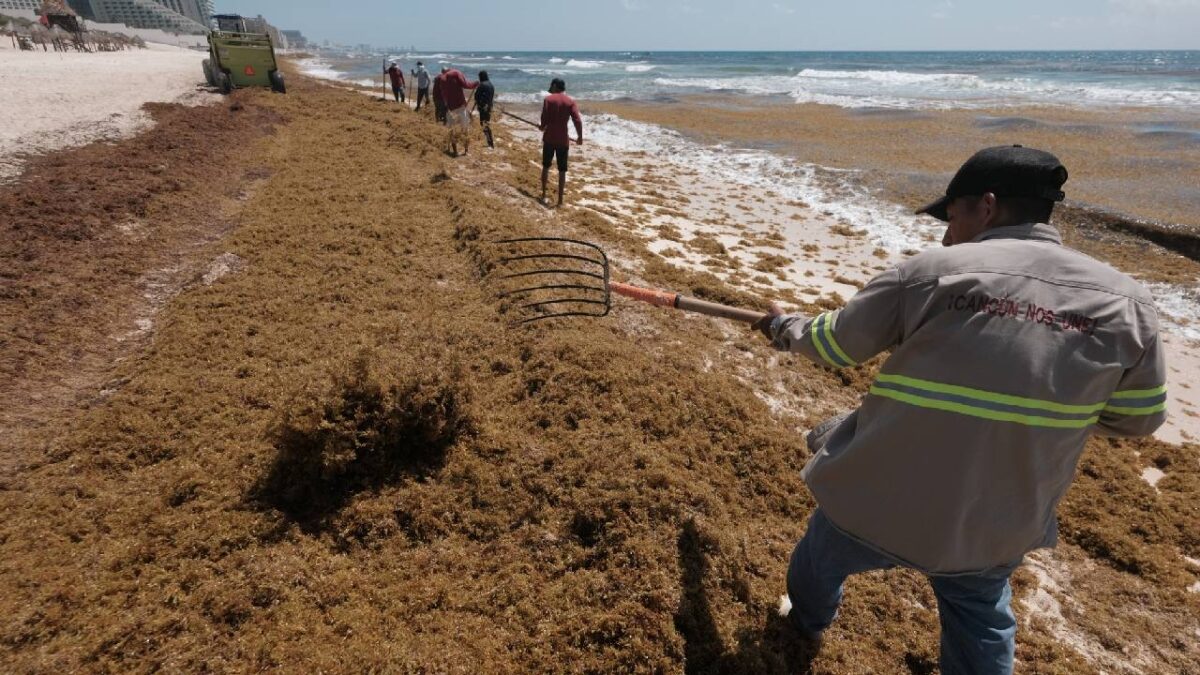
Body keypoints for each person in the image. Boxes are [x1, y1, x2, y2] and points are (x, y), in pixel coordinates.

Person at [754, 145, 1166, 675]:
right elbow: (1138, 419)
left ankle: (807, 623)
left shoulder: (930, 273)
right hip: (990, 523)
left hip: (873, 497)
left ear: (986, 207)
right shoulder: (1127, 304)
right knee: (981, 617)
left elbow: (835, 345)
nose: (946, 235)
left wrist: (783, 328)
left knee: (820, 558)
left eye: (951, 217)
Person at [538, 78, 583, 207]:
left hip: (549, 139)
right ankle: (560, 201)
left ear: (554, 86)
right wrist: (580, 137)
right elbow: (577, 121)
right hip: (563, 140)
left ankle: (543, 195)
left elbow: (544, 120)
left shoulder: (548, 100)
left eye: (551, 86)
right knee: (562, 170)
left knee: (546, 166)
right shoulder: (570, 101)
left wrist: (541, 126)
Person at [439, 66, 479, 156]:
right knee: (465, 129)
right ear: (449, 70)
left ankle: (455, 152)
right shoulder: (456, 73)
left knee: (452, 131)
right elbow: (466, 85)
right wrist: (475, 84)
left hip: (450, 109)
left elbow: (443, 96)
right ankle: (466, 151)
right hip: (461, 108)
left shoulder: (441, 79)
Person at [473, 70, 496, 148]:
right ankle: (490, 142)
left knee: (484, 125)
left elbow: (476, 96)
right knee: (487, 124)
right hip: (489, 107)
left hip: (483, 108)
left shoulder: (482, 85)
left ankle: (490, 142)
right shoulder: (491, 85)